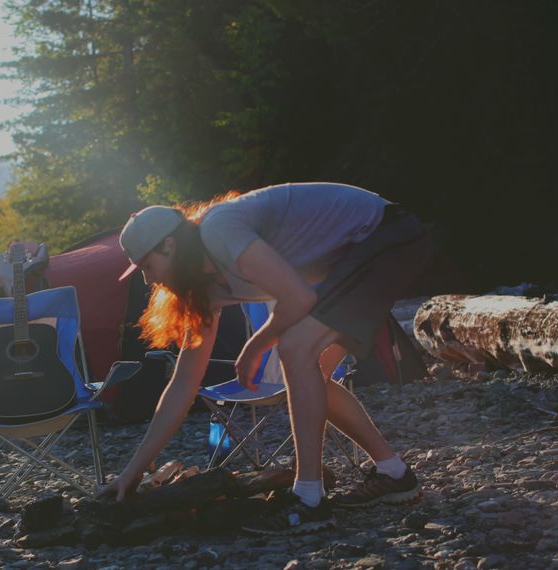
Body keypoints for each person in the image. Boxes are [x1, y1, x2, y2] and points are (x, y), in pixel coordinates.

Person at [101, 182, 434, 535]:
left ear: (168, 246)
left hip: (384, 235)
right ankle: (394, 473)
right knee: (310, 372)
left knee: (294, 350)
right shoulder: (206, 288)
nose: (148, 279)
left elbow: (299, 298)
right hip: (356, 257)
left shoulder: (219, 230)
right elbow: (184, 383)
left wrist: (255, 347)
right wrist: (132, 472)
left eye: (147, 266)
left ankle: (309, 501)